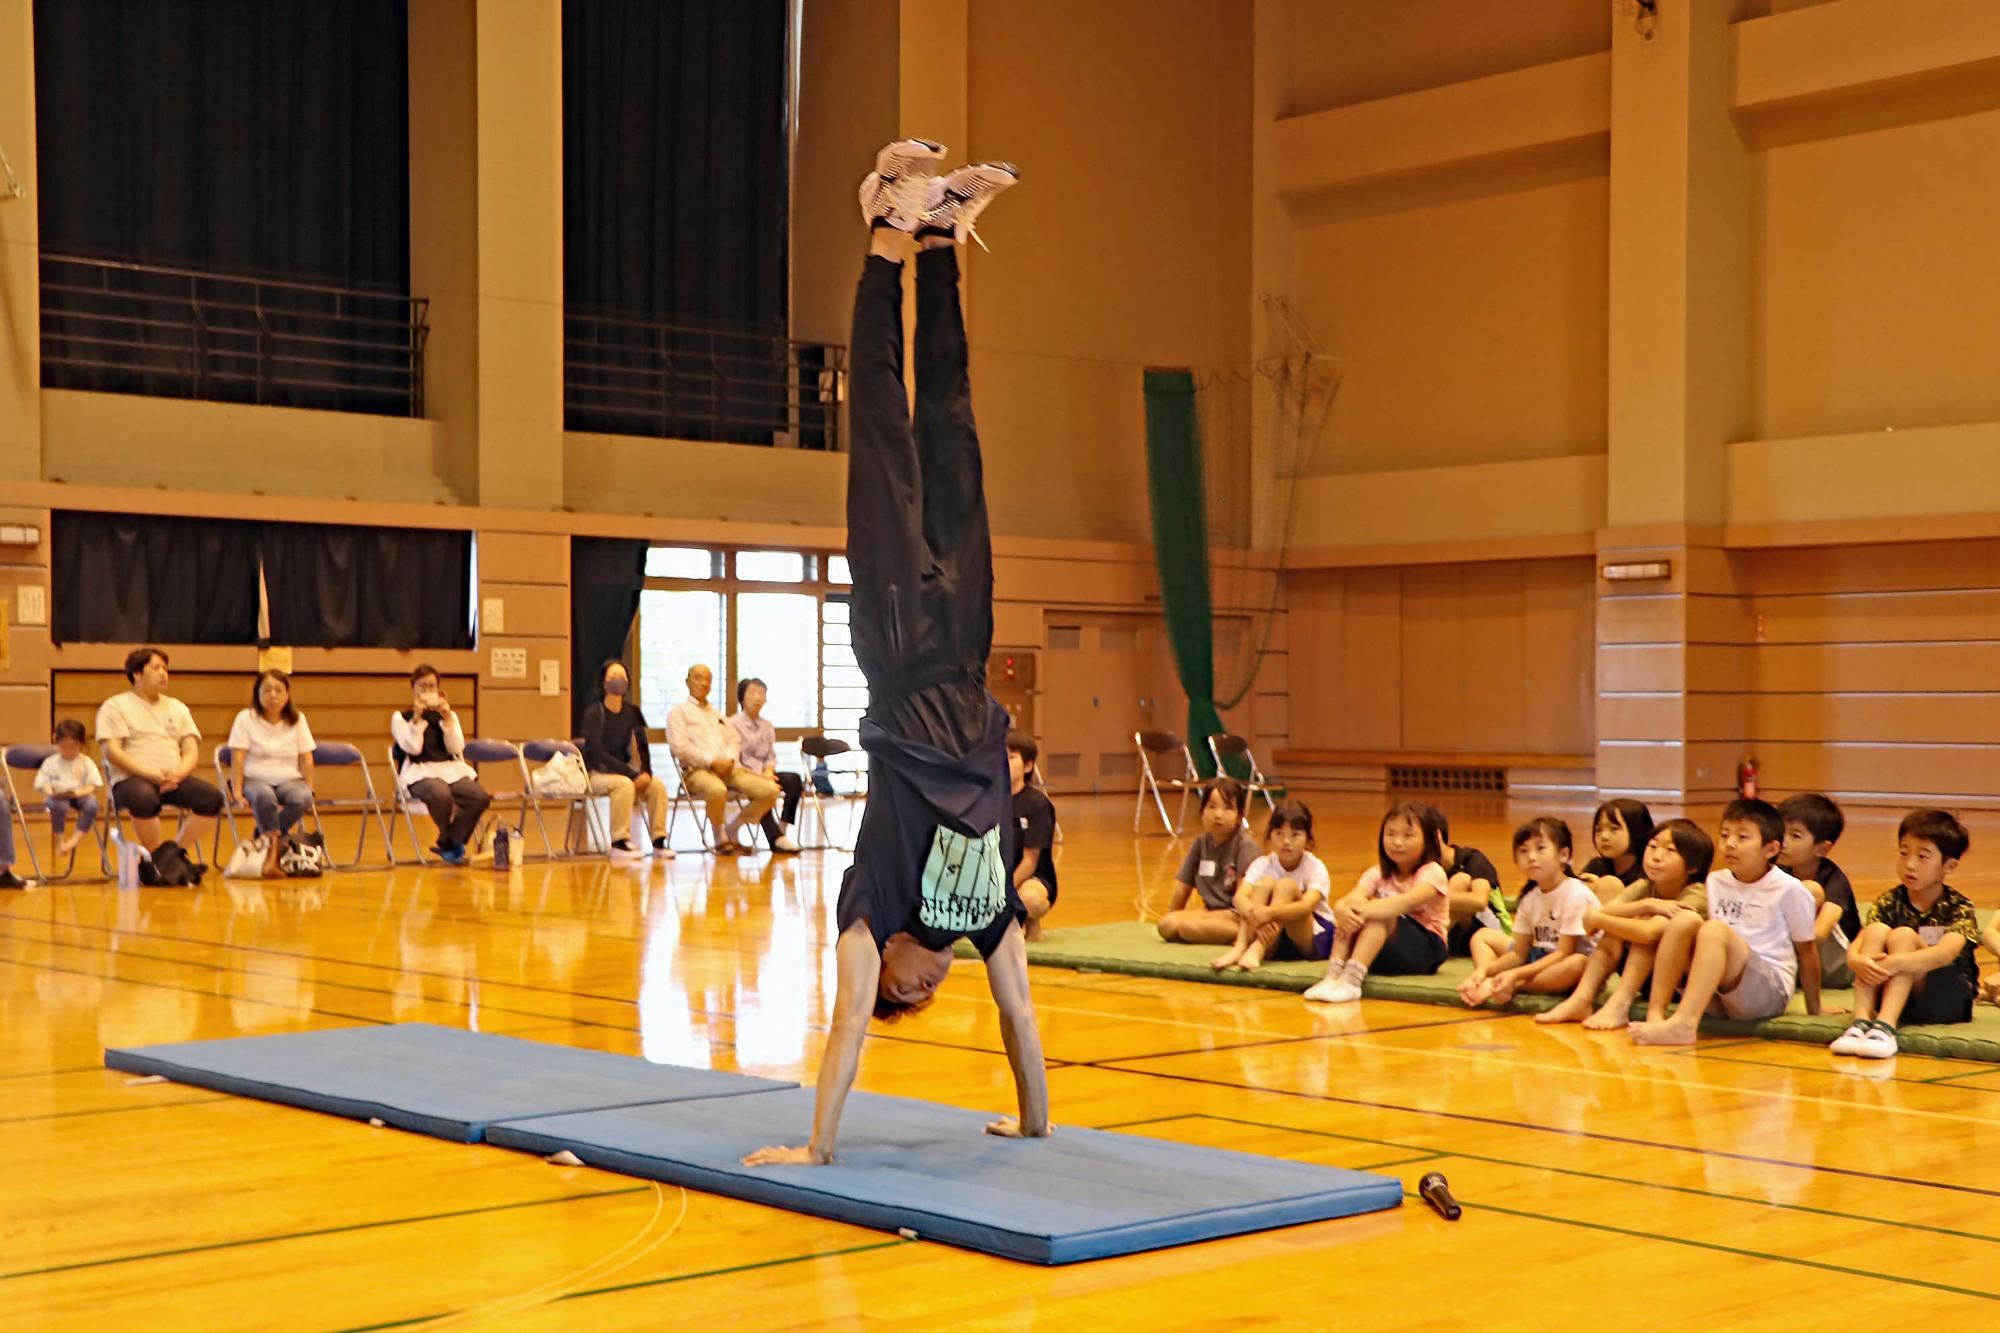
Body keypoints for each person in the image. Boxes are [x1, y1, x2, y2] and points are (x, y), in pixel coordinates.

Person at [744, 140, 1044, 1168]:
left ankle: (882, 232)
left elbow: (842, 1030)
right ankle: (944, 238)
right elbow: (1018, 1019)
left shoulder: (868, 911)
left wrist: (816, 1147)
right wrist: (1034, 1120)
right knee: (953, 435)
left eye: (911, 988)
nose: (931, 977)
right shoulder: (981, 911)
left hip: (895, 650)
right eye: (927, 988)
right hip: (964, 651)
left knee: (884, 430)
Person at [1631, 798, 1821, 1047]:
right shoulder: (1716, 881)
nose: (1730, 844)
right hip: (1718, 994)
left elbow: (1807, 951)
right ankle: (1656, 1013)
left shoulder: (1789, 889)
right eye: (1724, 835)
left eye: (1742, 837)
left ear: (1771, 849)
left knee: (1713, 930)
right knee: (1683, 920)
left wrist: (1815, 1009)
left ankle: (1685, 1024)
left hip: (1765, 993)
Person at [1830, 809, 1979, 1059]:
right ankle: (1860, 1023)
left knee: (1903, 936)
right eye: (1903, 853)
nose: (1909, 864)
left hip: (1945, 998)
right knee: (1878, 930)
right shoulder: (1890, 899)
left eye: (1923, 856)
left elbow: (1945, 954)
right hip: (1893, 988)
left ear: (1948, 865)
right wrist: (1857, 961)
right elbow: (1860, 942)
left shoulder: (1959, 906)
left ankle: (1885, 1028)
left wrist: (1894, 962)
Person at [1536, 819, 1712, 1029]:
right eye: (1652, 846)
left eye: (1670, 850)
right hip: (1648, 979)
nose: (1656, 856)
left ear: (1692, 866)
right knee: (1620, 925)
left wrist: (1601, 920)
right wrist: (1646, 904)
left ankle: (1620, 1003)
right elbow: (1607, 910)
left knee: (1638, 925)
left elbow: (1649, 932)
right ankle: (1581, 999)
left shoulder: (1697, 894)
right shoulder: (1645, 886)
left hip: (1679, 983)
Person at [1305, 802, 1451, 1004]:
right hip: (1387, 948)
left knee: (1380, 914)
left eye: (1408, 836)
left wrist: (1363, 911)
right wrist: (1343, 910)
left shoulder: (1433, 872)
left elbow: (1405, 903)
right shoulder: (1377, 872)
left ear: (1428, 840)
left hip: (1427, 950)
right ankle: (1333, 975)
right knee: (1353, 912)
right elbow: (1351, 899)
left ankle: (1351, 982)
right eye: (1390, 834)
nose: (1397, 842)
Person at [96, 646, 223, 869]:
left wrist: (179, 774)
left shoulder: (177, 707)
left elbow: (191, 749)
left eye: (165, 668)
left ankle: (172, 854)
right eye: (156, 668)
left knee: (211, 798)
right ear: (137, 673)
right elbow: (112, 751)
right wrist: (151, 775)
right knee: (144, 798)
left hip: (173, 777)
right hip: (131, 779)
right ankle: (156, 855)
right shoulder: (115, 706)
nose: (163, 673)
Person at [1457, 817, 1596, 1008]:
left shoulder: (1575, 893)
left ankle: (1511, 985)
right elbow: (1519, 954)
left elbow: (1564, 953)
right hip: (1541, 956)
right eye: (1523, 851)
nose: (1531, 857)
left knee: (1578, 963)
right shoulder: (1529, 898)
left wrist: (1515, 975)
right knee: (1482, 936)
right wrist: (1484, 971)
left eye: (1540, 848)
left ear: (1563, 854)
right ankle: (1486, 981)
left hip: (1570, 965)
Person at [668, 664, 779, 855]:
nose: (703, 683)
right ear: (687, 682)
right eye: (698, 678)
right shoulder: (679, 712)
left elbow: (733, 741)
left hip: (729, 770)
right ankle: (720, 837)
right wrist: (711, 762)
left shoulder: (717, 714)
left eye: (708, 679)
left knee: (770, 790)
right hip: (697, 772)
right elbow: (681, 748)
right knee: (717, 789)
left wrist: (729, 760)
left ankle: (733, 826)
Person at [1212, 799, 1330, 973]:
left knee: (1286, 886)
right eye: (1279, 833)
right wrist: (1253, 913)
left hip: (1310, 935)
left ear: (1307, 839)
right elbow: (1239, 897)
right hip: (1273, 936)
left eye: (1295, 835)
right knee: (1264, 883)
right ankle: (1241, 945)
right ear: (1270, 836)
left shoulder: (1315, 866)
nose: (1286, 841)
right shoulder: (1263, 864)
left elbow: (1306, 906)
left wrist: (1269, 913)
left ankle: (1258, 947)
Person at [390, 664, 491, 866]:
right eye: (423, 686)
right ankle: (451, 841)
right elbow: (412, 748)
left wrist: (447, 718)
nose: (428, 691)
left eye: (432, 686)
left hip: (449, 769)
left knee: (478, 796)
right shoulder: (400, 718)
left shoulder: (448, 716)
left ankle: (447, 841)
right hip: (418, 773)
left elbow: (456, 747)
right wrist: (417, 718)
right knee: (440, 793)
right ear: (413, 688)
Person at [579, 659, 671, 859]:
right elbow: (598, 752)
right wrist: (632, 774)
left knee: (657, 786)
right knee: (624, 785)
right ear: (604, 683)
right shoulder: (594, 713)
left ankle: (659, 841)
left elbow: (643, 745)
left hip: (628, 772)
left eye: (622, 677)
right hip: (597, 773)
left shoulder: (633, 712)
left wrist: (646, 772)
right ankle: (619, 842)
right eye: (613, 677)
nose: (618, 681)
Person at [1157, 778, 1257, 944]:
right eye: (1211, 807)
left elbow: (1245, 899)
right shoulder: (1200, 843)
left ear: (1240, 816)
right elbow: (1182, 889)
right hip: (1210, 911)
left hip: (1235, 916)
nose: (1218, 815)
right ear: (1202, 811)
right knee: (1166, 925)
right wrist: (1171, 917)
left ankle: (1243, 935)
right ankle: (1212, 932)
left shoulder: (1245, 846)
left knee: (1189, 928)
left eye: (1227, 808)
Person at [1778, 792, 1857, 992]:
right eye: (1780, 832)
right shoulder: (1777, 870)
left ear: (1821, 848)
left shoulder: (1834, 879)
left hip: (1836, 967)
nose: (1783, 842)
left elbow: (1819, 933)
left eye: (1795, 835)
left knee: (1808, 892)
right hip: (1793, 957)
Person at [225, 670, 317, 840]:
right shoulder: (245, 718)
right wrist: (237, 792)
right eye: (267, 690)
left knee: (302, 798)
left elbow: (306, 758)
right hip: (254, 778)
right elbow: (237, 758)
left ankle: (265, 835)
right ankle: (274, 843)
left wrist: (309, 788)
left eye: (278, 690)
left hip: (289, 779)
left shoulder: (297, 719)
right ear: (257, 693)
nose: (273, 695)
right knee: (265, 797)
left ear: (287, 694)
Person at [728, 677, 803, 854]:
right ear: (741, 697)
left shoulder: (767, 726)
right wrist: (761, 776)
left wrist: (769, 770)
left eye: (761, 693)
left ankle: (782, 829)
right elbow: (735, 761)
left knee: (793, 780)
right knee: (764, 790)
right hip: (743, 775)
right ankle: (775, 838)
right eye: (752, 692)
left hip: (765, 774)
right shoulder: (732, 723)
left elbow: (770, 756)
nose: (757, 697)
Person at [1428, 804, 1507, 957]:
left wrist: (1425, 897)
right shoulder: (1422, 866)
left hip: (1486, 932)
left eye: (1410, 836)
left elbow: (1479, 901)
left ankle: (1430, 947)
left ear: (1436, 835)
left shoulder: (1472, 859)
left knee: (1460, 881)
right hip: (1452, 938)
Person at [1006, 734, 1059, 940]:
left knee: (1029, 900)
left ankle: (1031, 920)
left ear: (1028, 766)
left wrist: (1003, 892)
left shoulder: (1037, 804)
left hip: (1031, 878)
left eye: (1011, 758)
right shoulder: (987, 802)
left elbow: (1030, 860)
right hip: (994, 876)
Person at [35, 718, 102, 857]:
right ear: (57, 742)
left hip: (80, 794)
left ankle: (74, 840)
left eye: (73, 747)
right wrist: (50, 792)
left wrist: (80, 792)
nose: (68, 751)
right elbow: (43, 783)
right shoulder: (51, 762)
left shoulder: (85, 762)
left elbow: (93, 785)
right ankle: (60, 841)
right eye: (63, 747)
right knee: (60, 807)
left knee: (92, 805)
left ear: (81, 745)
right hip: (57, 797)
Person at [1578, 798, 1653, 902]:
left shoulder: (1648, 871)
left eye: (1614, 828)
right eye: (1598, 830)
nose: (1604, 836)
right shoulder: (1597, 866)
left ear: (1637, 830)